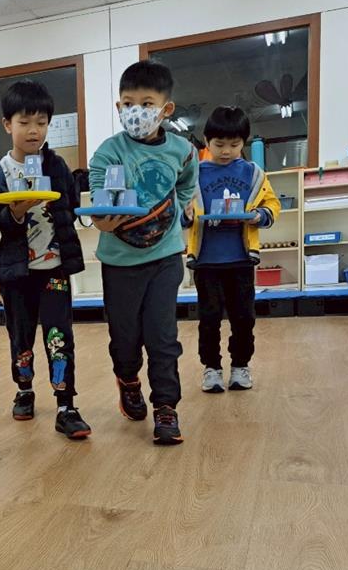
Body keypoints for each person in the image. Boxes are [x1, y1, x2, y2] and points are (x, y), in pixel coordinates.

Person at [88, 61, 200, 446]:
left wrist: (176, 209)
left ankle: (166, 407)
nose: (136, 111)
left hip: (165, 257)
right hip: (120, 262)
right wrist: (103, 220)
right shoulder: (108, 152)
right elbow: (99, 198)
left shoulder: (183, 151)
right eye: (128, 103)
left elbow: (187, 185)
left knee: (162, 336)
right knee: (125, 340)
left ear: (166, 109)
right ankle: (128, 379)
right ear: (118, 107)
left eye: (147, 103)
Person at [0, 80, 91, 439]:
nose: (33, 130)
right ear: (7, 124)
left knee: (59, 336)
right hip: (15, 273)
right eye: (24, 122)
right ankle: (24, 389)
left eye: (41, 122)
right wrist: (16, 213)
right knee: (20, 336)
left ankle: (65, 404)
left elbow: (69, 208)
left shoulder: (57, 166)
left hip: (54, 268)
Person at [184, 106, 281, 393]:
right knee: (209, 318)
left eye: (234, 144)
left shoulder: (253, 173)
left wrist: (259, 215)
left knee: (243, 317)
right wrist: (185, 216)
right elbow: (182, 210)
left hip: (241, 259)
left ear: (244, 142)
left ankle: (240, 366)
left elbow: (272, 203)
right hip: (206, 261)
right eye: (219, 144)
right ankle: (211, 368)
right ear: (206, 141)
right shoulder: (194, 174)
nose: (226, 151)